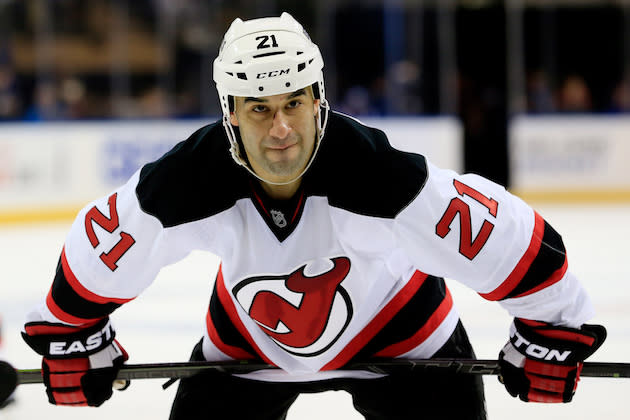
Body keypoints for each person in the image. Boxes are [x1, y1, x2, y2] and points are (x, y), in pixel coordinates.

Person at [21, 13, 606, 420]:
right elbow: (101, 250)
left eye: (295, 103)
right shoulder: (186, 181)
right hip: (249, 346)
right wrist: (68, 336)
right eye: (260, 109)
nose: (281, 130)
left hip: (403, 341)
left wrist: (554, 330)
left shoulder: (380, 176)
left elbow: (504, 235)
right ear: (230, 114)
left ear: (318, 100)